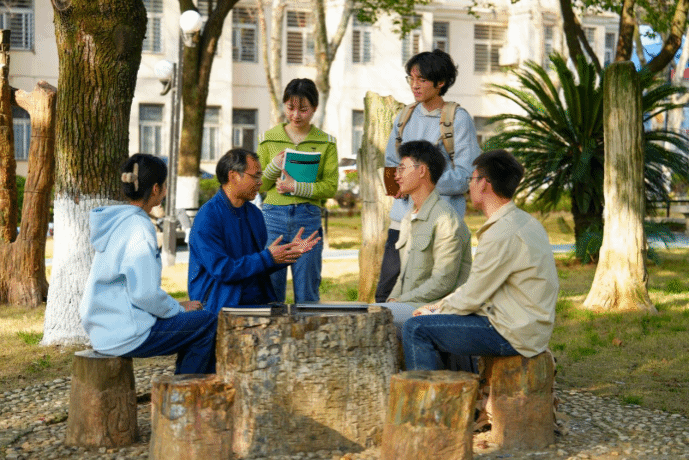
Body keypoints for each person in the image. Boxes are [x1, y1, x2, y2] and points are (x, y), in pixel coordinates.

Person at [402, 150, 559, 370]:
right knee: (438, 321)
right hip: (527, 327)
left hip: (512, 333)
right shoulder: (525, 222)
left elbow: (472, 296)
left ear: (484, 183)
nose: (469, 185)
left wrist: (435, 311)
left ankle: (423, 392)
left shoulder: (501, 233)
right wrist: (438, 306)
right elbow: (477, 287)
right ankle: (455, 385)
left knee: (416, 328)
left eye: (471, 178)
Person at [79, 154, 217, 375]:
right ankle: (184, 392)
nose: (165, 190)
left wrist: (177, 308)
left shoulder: (118, 221)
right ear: (155, 189)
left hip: (103, 330)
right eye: (164, 185)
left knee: (194, 324)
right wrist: (179, 309)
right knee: (207, 322)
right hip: (126, 333)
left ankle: (184, 386)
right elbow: (144, 294)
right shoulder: (139, 228)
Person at [375, 49, 482, 303]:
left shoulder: (457, 119)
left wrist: (422, 184)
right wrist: (396, 184)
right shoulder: (404, 116)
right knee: (385, 295)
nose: (415, 85)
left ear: (441, 82)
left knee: (430, 296)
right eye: (411, 79)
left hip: (440, 224)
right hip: (401, 222)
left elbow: (466, 175)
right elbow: (391, 163)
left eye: (422, 80)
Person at [188, 148, 321, 314]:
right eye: (255, 176)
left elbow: (256, 265)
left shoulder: (255, 214)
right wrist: (268, 257)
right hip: (221, 306)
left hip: (259, 303)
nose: (260, 182)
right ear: (233, 176)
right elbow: (222, 270)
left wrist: (286, 253)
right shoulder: (208, 217)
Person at [375, 140, 471, 336]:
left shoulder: (445, 219)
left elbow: (443, 281)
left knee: (372, 320)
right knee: (367, 315)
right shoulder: (408, 217)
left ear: (422, 171)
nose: (396, 175)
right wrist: (393, 300)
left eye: (402, 168)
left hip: (435, 309)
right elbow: (403, 276)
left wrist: (399, 301)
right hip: (409, 305)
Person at [257, 78, 339, 303]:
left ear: (314, 108)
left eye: (303, 109)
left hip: (308, 219)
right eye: (290, 107)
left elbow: (330, 187)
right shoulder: (267, 140)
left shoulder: (326, 143)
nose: (296, 115)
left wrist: (296, 187)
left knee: (307, 290)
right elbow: (259, 185)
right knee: (271, 291)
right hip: (272, 219)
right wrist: (274, 166)